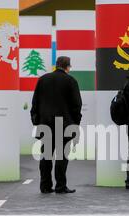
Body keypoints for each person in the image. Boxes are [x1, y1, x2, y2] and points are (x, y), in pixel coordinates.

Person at [30, 56, 82, 194]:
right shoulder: (71, 81)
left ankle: (45, 186)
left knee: (46, 155)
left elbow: (35, 102)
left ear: (56, 65)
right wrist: (75, 124)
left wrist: (36, 121)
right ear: (68, 67)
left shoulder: (43, 80)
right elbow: (77, 105)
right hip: (64, 124)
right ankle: (60, 186)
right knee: (62, 156)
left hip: (45, 123)